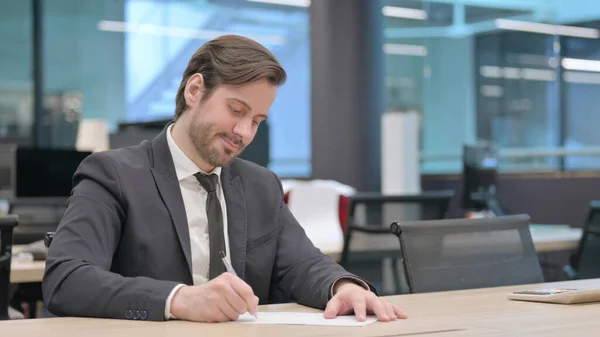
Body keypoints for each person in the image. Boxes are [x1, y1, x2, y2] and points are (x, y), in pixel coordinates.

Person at [42, 35, 407, 323]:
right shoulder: (114, 173)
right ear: (194, 90)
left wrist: (341, 286)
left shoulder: (260, 185)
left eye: (257, 121)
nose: (244, 132)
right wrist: (178, 300)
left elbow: (303, 263)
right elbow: (66, 280)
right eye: (236, 110)